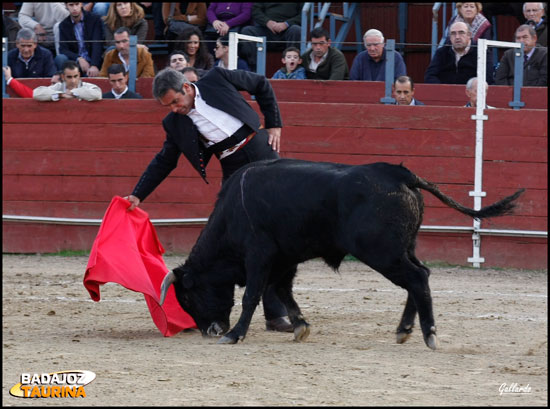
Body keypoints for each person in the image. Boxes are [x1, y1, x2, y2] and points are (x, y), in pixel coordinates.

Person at [123, 67, 294, 333]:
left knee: (279, 233)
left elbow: (261, 83)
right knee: (232, 240)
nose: (175, 109)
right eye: (168, 106)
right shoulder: (174, 123)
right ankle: (217, 310)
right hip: (234, 170)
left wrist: (274, 123)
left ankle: (276, 314)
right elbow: (165, 161)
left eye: (176, 102)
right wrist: (138, 193)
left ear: (187, 88)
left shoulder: (217, 79)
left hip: (263, 152)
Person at [424, 21, 494, 84]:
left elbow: (487, 79)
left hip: (472, 94)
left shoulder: (482, 52)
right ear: (450, 37)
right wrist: (443, 90)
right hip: (446, 95)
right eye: (453, 33)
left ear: (469, 35)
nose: (457, 37)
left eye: (461, 33)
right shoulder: (442, 52)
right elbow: (430, 76)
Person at [240, 3, 303, 71]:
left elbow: (304, 14)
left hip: (288, 30)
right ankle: (254, 69)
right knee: (247, 31)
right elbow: (255, 10)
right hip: (266, 29)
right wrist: (267, 22)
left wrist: (286, 24)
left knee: (296, 30)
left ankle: (292, 69)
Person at [56, 2, 104, 76]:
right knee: (60, 58)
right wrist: (79, 59)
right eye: (71, 5)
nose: (74, 8)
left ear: (81, 4)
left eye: (77, 4)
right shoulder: (63, 25)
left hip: (93, 60)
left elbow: (97, 44)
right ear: (66, 6)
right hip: (75, 64)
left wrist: (94, 65)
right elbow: (63, 49)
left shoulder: (94, 19)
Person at [33, 59, 102, 101]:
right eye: (69, 77)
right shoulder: (58, 86)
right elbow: (36, 93)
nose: (73, 80)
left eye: (75, 76)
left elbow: (98, 94)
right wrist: (61, 95)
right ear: (63, 77)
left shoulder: (86, 86)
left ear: (79, 75)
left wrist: (73, 93)